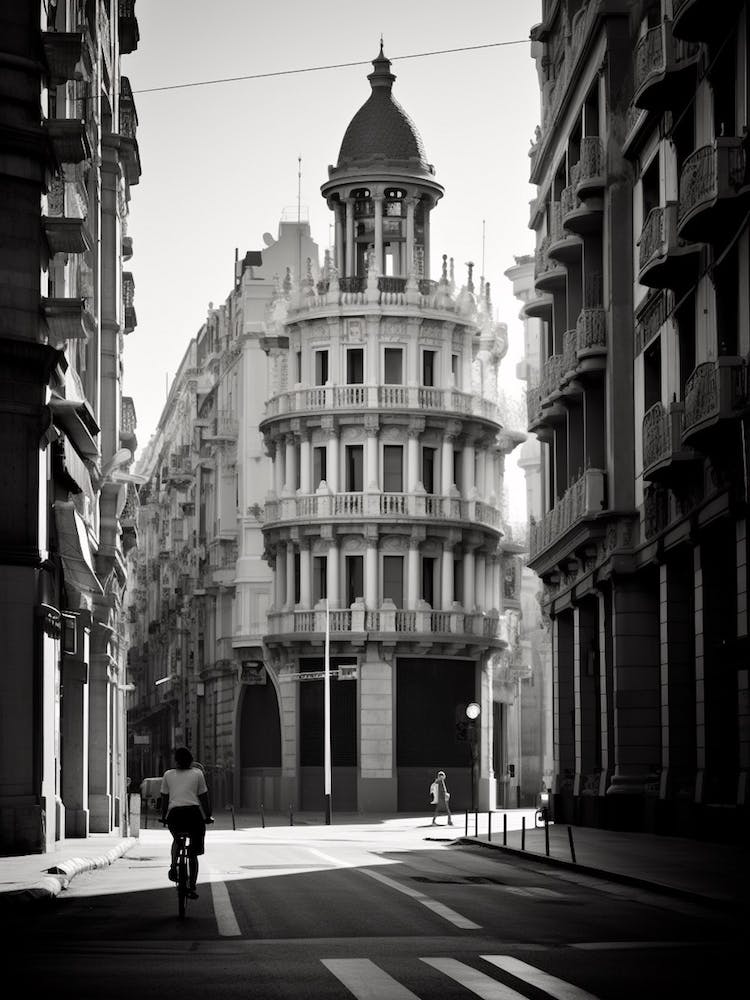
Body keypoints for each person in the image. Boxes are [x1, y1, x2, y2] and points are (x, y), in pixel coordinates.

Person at [160, 747, 213, 898]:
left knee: (176, 839)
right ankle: (192, 886)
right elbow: (204, 798)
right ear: (191, 760)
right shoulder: (198, 773)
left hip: (175, 816)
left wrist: (164, 816)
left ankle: (173, 866)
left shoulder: (168, 774)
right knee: (193, 852)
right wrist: (208, 815)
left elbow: (164, 799)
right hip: (193, 816)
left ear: (175, 760)